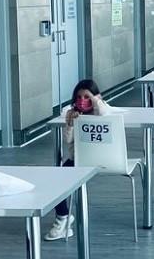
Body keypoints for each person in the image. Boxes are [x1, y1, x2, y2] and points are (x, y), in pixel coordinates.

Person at [45, 80, 111, 240]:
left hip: (105, 160)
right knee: (56, 178)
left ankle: (63, 219)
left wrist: (95, 100)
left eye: (87, 96)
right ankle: (62, 218)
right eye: (79, 96)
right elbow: (68, 140)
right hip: (79, 160)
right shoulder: (71, 113)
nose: (82, 100)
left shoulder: (102, 110)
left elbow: (103, 113)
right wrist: (71, 124)